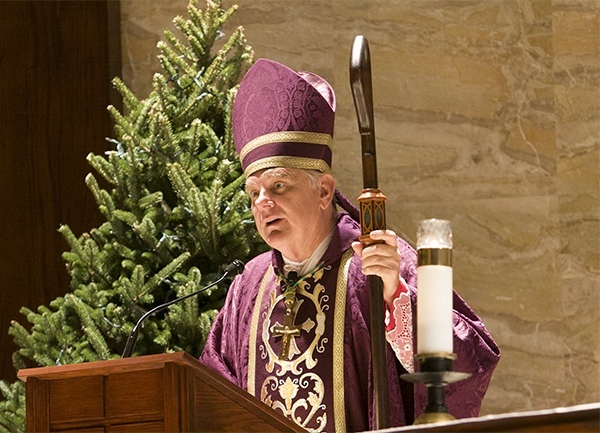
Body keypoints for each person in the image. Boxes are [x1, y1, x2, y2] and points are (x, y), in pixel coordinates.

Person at [200, 58, 500, 432]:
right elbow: (211, 391)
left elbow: (468, 363)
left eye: (278, 186)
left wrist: (397, 300)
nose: (263, 202)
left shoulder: (377, 263)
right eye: (254, 192)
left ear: (324, 190)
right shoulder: (249, 285)